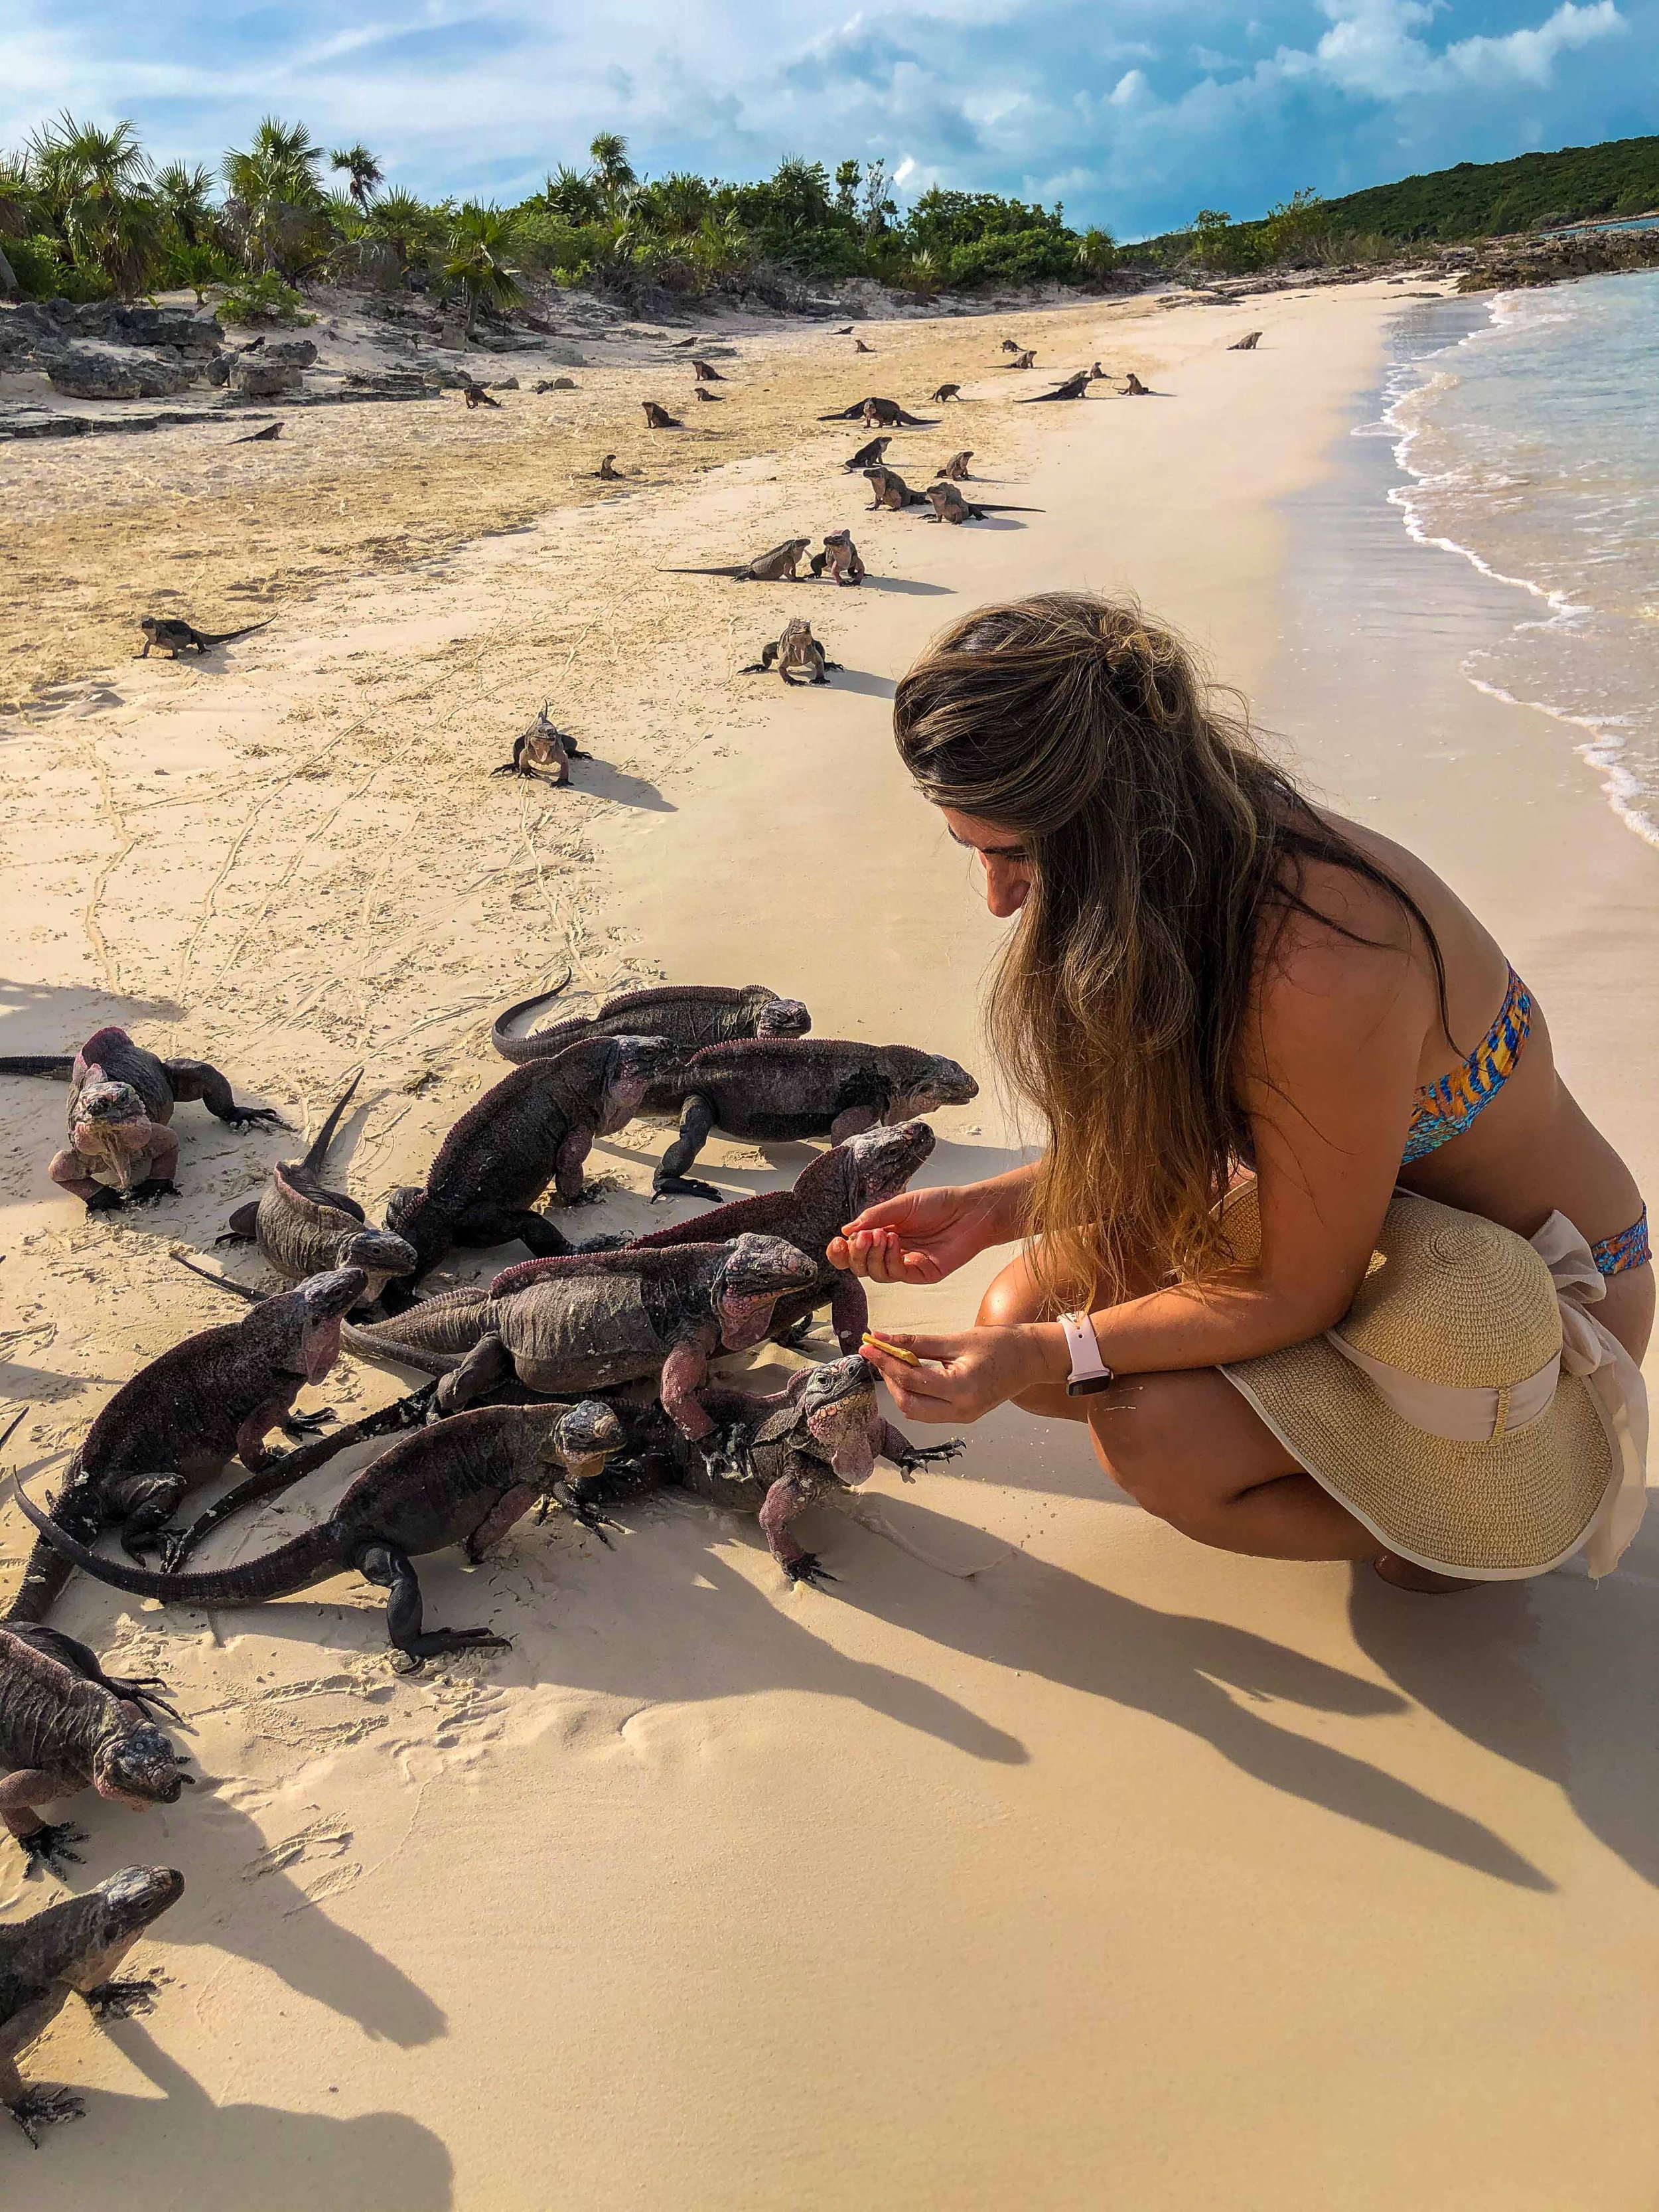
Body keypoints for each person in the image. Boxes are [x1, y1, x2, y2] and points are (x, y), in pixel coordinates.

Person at [837, 594, 1650, 1591]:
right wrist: (988, 1209)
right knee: (1024, 1305)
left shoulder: (1316, 957)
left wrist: (1043, 1356)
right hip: (1373, 1245)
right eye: (975, 853)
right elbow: (1217, 1147)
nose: (1002, 901)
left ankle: (1479, 1519)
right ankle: (1344, 1456)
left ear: (1113, 817)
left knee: (1149, 1429)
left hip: (1510, 1326)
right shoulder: (1189, 853)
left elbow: (1300, 1289)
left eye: (1017, 856)